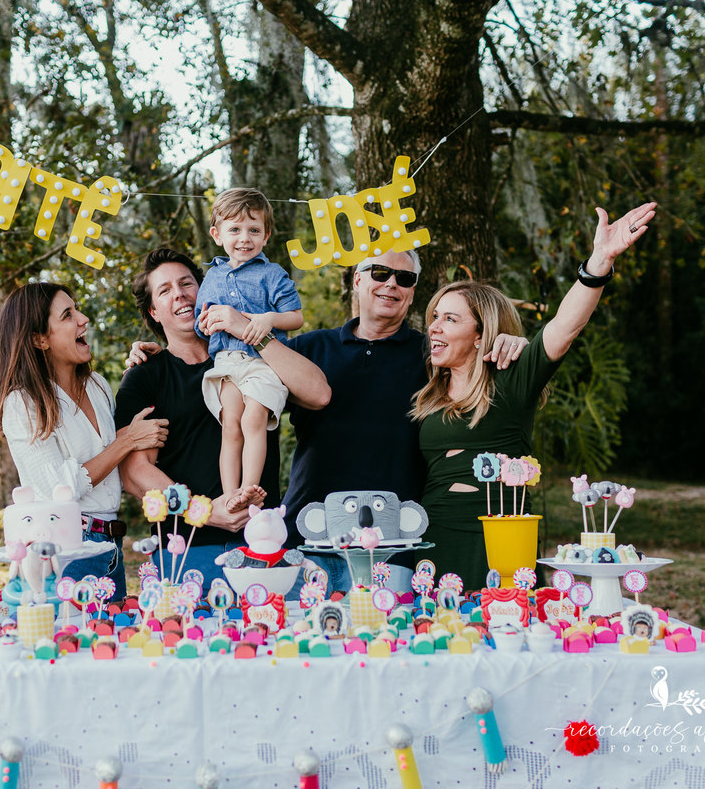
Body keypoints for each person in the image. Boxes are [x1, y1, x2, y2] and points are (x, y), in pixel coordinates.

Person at [156, 247, 528, 595]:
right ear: (357, 280)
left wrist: (511, 342)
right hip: (307, 540)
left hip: (390, 549)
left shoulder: (430, 356)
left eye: (404, 278)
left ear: (413, 292)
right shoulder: (309, 348)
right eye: (380, 273)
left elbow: (479, 366)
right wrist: (157, 356)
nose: (391, 284)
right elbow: (225, 377)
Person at [413, 202, 657, 590]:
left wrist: (599, 262)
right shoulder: (427, 392)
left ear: (480, 335)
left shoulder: (511, 379)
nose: (434, 327)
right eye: (434, 317)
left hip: (496, 541)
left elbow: (565, 327)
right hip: (431, 540)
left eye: (450, 318)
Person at [116, 248, 330, 591]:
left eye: (187, 283)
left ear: (208, 289)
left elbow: (319, 394)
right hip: (187, 551)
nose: (180, 294)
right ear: (154, 312)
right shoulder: (145, 376)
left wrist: (247, 328)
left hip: (264, 545)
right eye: (165, 290)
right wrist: (202, 511)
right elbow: (133, 473)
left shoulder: (258, 355)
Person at [0, 281, 168, 600]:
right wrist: (125, 442)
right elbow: (59, 487)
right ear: (40, 339)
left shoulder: (97, 385)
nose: (83, 319)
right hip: (63, 553)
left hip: (111, 546)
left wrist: (154, 366)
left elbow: (116, 465)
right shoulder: (23, 403)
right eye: (68, 315)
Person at [196, 189, 303, 512]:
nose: (245, 238)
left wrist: (270, 318)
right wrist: (205, 324)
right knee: (231, 423)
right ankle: (231, 494)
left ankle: (249, 487)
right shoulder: (212, 277)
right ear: (217, 235)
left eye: (253, 230)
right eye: (235, 230)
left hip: (261, 363)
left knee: (253, 419)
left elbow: (295, 317)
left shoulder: (272, 275)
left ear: (266, 235)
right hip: (227, 361)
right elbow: (202, 322)